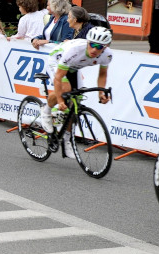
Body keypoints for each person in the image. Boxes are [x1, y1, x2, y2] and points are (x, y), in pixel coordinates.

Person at [37, 28, 114, 157]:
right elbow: (58, 78)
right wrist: (60, 101)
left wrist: (100, 93)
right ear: (88, 42)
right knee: (65, 89)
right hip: (57, 60)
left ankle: (67, 140)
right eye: (92, 44)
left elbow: (102, 74)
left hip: (74, 67)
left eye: (99, 46)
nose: (94, 49)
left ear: (105, 47)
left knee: (75, 102)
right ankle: (46, 110)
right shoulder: (75, 50)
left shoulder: (107, 55)